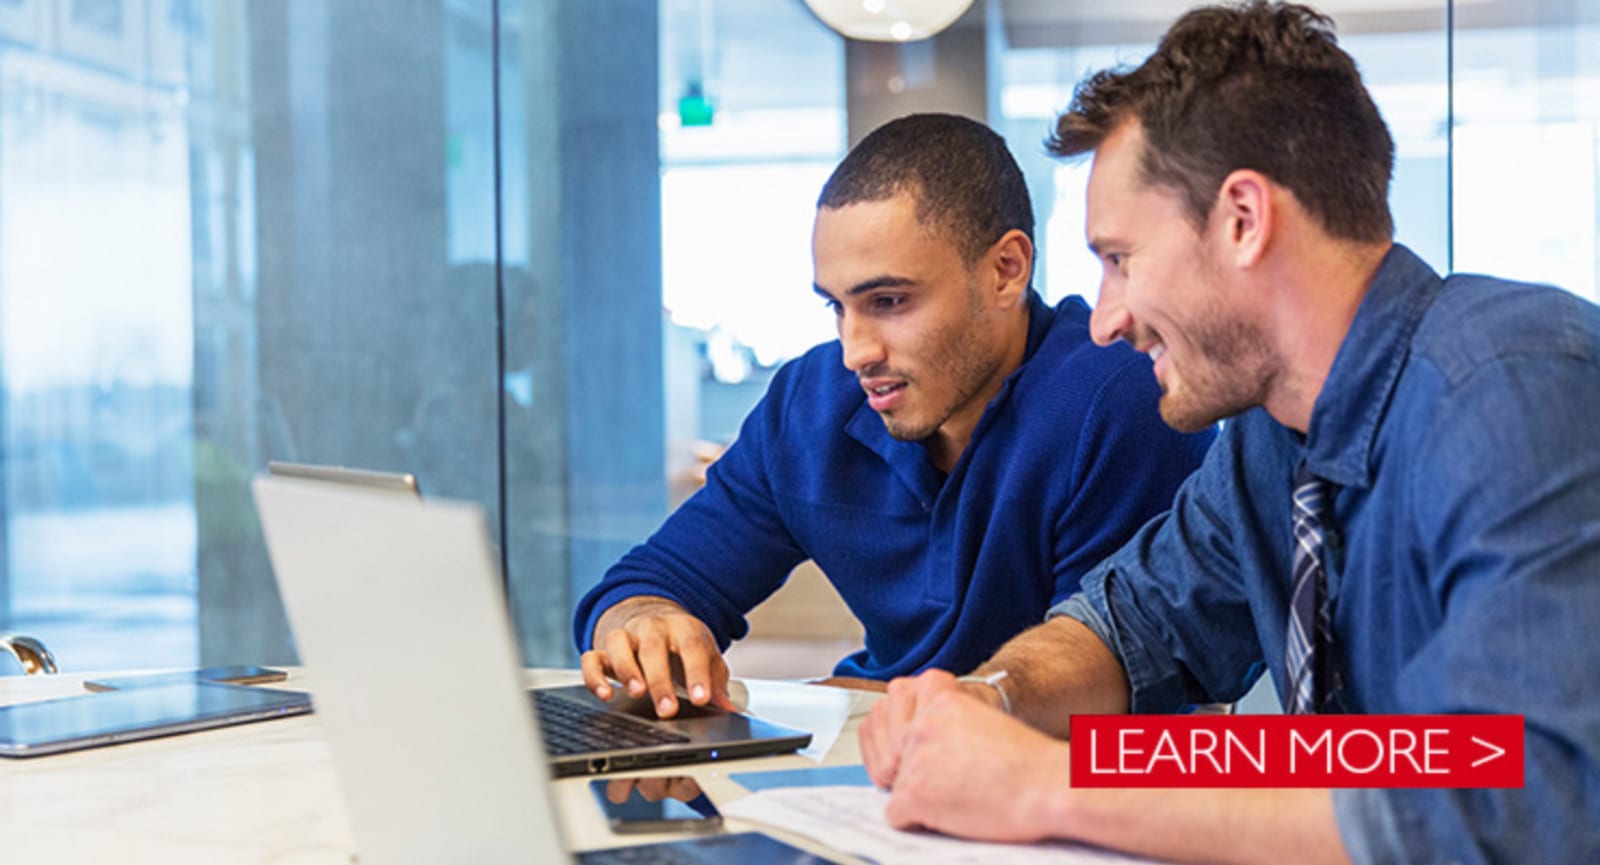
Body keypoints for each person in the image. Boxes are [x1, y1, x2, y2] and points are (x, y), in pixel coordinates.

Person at [859, 4, 1600, 864]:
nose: (1105, 320)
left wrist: (1045, 786)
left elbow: (1522, 796)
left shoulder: (1508, 384)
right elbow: (1130, 627)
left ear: (1244, 218)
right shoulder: (1270, 439)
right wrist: (990, 701)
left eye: (1119, 259)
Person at [574, 113, 1215, 718]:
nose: (856, 351)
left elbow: (1119, 684)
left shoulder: (1120, 399)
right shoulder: (812, 401)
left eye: (888, 300)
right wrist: (641, 623)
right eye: (837, 307)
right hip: (878, 751)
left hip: (1050, 786)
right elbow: (651, 580)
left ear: (1005, 271)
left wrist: (905, 706)